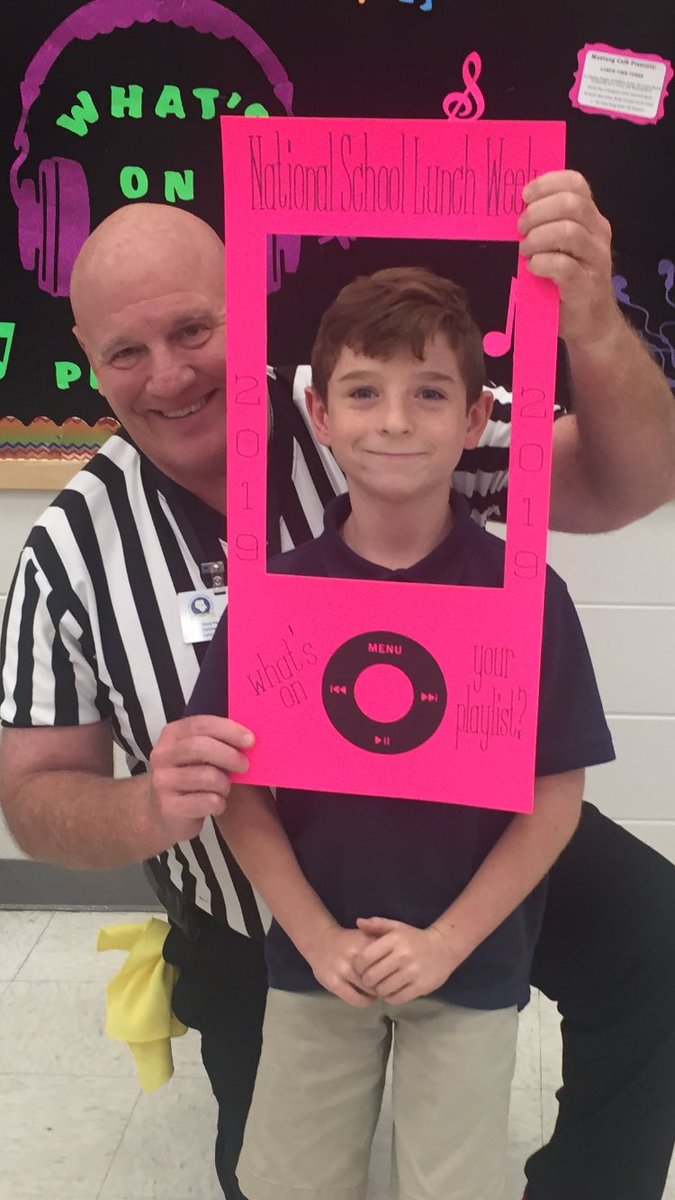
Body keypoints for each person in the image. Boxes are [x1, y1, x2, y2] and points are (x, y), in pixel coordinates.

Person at [0, 172, 673, 1200]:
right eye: (126, 352)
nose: (169, 375)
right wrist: (148, 806)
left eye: (193, 330)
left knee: (653, 932)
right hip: (261, 900)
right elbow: (32, 797)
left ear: (248, 314)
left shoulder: (378, 399)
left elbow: (635, 477)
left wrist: (591, 323)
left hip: (463, 845)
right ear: (87, 360)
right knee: (269, 1174)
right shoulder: (67, 551)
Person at [185, 265, 616, 1200]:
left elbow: (554, 796)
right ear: (318, 412)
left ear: (474, 418)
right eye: (362, 392)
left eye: (428, 393)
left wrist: (448, 943)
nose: (392, 421)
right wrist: (314, 935)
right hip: (317, 961)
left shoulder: (524, 595)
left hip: (467, 963)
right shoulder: (277, 597)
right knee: (290, 1183)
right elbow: (238, 792)